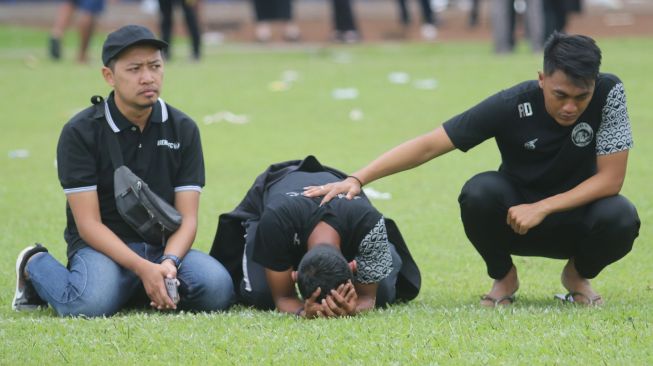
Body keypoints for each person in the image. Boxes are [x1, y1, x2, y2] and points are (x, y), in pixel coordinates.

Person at [305, 33, 640, 307]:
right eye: (560, 95)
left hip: (574, 218)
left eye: (581, 97)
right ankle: (504, 276)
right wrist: (358, 177)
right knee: (479, 192)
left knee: (622, 216)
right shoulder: (512, 105)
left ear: (594, 84)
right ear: (541, 80)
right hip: (515, 222)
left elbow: (611, 180)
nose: (570, 107)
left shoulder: (609, 93)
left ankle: (577, 275)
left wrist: (543, 207)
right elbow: (430, 144)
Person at [13, 25, 235, 317]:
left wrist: (168, 262)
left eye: (155, 66)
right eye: (134, 69)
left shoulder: (183, 128)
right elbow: (88, 224)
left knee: (218, 289)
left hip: (160, 247)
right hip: (101, 248)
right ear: (109, 76)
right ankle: (34, 264)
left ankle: (134, 285)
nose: (148, 77)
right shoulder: (80, 132)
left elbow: (188, 217)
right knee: (89, 305)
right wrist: (142, 268)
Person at [209, 156, 421, 318]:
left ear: (353, 265)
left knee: (382, 293)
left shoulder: (368, 221)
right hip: (281, 186)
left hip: (338, 186)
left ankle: (378, 252)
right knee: (262, 296)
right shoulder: (276, 220)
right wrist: (303, 311)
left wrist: (353, 308)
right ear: (295, 273)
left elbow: (368, 298)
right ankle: (376, 257)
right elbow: (283, 297)